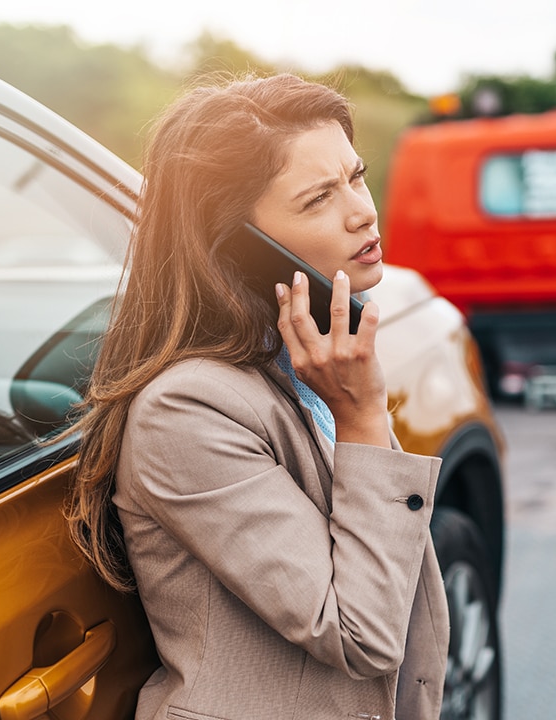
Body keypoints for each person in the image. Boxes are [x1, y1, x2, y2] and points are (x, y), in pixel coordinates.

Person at [65, 74, 448, 720]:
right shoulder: (186, 413)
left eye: (355, 177)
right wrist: (360, 414)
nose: (362, 211)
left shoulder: (303, 365)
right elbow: (360, 633)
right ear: (238, 246)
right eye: (318, 198)